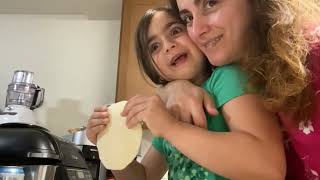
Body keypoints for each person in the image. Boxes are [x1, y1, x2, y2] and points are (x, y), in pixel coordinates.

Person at [87, 7, 285, 180]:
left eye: (175, 30)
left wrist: (170, 128)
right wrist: (110, 146)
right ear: (152, 68)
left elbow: (268, 167)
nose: (168, 46)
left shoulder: (227, 78)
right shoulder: (166, 111)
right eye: (154, 47)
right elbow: (144, 176)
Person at [163, 0, 320, 179]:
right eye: (188, 18)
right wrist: (174, 87)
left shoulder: (313, 53)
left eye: (211, 3)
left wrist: (171, 128)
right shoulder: (233, 77)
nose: (197, 31)